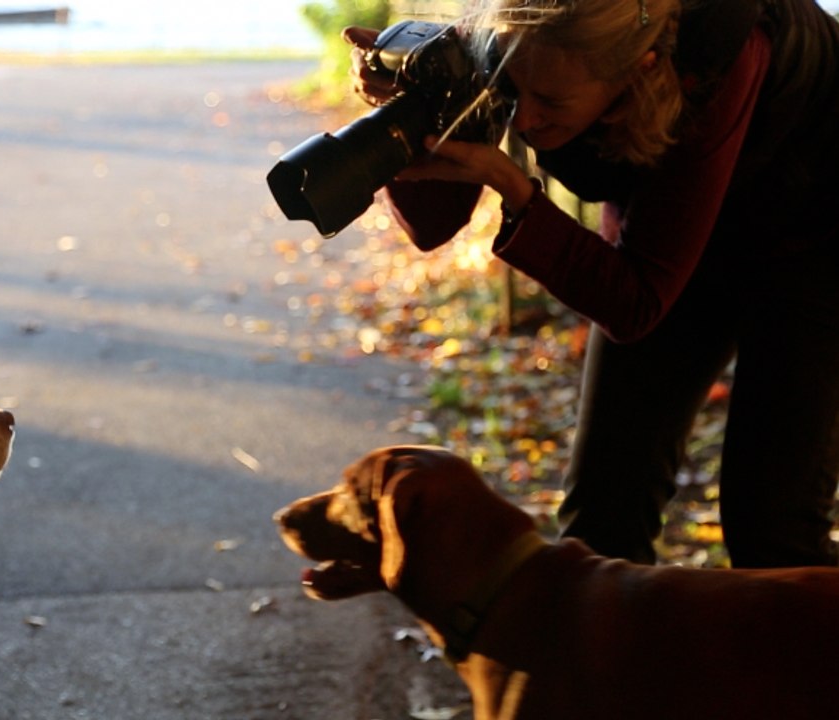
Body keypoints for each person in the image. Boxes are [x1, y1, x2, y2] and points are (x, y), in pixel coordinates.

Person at [346, 0, 839, 568]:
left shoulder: (722, 47)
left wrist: (517, 192)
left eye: (551, 102)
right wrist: (414, 114)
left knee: (773, 530)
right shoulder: (513, 39)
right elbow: (431, 227)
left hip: (815, 236)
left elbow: (635, 303)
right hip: (667, 220)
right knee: (603, 518)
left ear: (641, 70)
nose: (524, 121)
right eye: (513, 88)